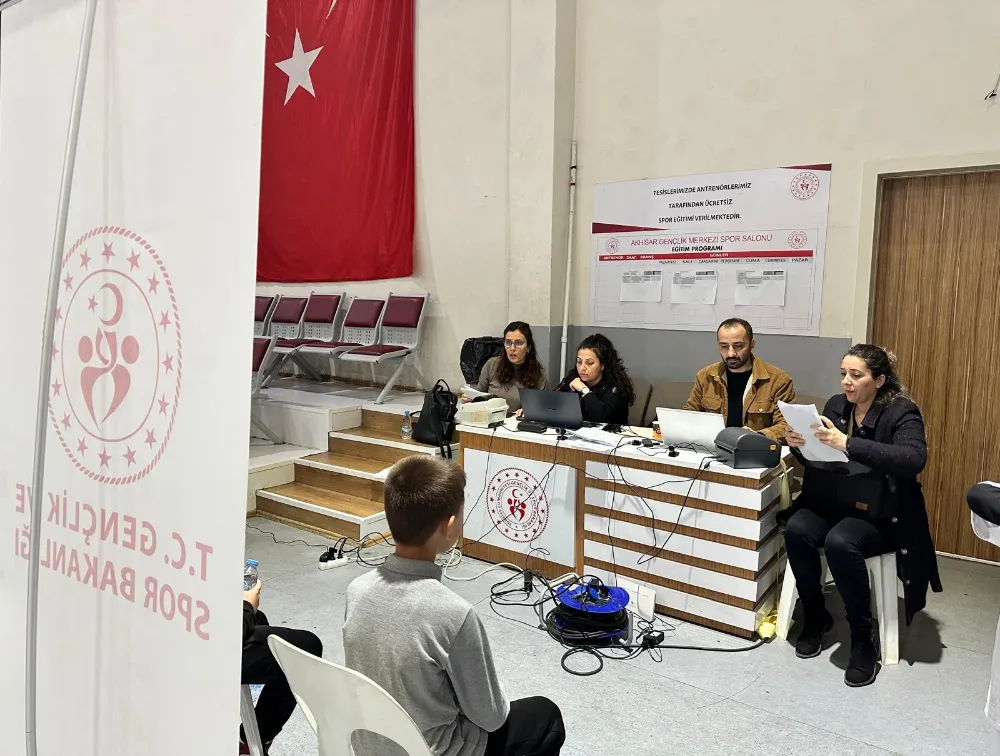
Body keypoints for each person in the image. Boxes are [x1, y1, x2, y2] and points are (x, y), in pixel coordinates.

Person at [343, 455, 565, 756]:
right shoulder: (454, 614)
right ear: (449, 527)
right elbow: (491, 716)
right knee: (546, 715)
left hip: (369, 744)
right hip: (433, 751)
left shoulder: (356, 590)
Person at [781, 344, 940, 688]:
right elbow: (820, 459)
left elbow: (913, 459)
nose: (846, 382)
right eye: (843, 374)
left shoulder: (901, 411)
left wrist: (847, 444)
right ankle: (816, 615)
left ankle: (862, 638)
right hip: (835, 501)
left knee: (841, 542)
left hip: (881, 514)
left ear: (879, 380)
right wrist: (799, 444)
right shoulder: (836, 406)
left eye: (856, 375)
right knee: (797, 529)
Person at [240, 580, 323, 754]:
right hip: (209, 648)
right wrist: (247, 605)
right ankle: (252, 740)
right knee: (306, 649)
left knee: (259, 618)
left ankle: (251, 737)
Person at [684, 318, 795, 441]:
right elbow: (689, 415)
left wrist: (758, 436)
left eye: (738, 346)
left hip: (754, 448)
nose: (731, 353)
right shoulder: (705, 376)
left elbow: (786, 425)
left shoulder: (778, 381)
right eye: (724, 346)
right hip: (712, 446)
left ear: (752, 345)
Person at [462, 321, 549, 415]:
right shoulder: (492, 365)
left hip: (518, 422)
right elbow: (479, 395)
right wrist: (470, 400)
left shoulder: (538, 373)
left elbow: (543, 407)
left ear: (528, 347)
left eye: (518, 343)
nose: (512, 348)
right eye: (508, 342)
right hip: (491, 419)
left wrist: (530, 411)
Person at [556, 333, 634, 425]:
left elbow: (600, 415)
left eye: (589, 363)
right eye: (579, 362)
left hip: (610, 432)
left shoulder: (614, 386)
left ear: (602, 365)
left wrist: (584, 390)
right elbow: (554, 401)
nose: (582, 368)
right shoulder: (574, 377)